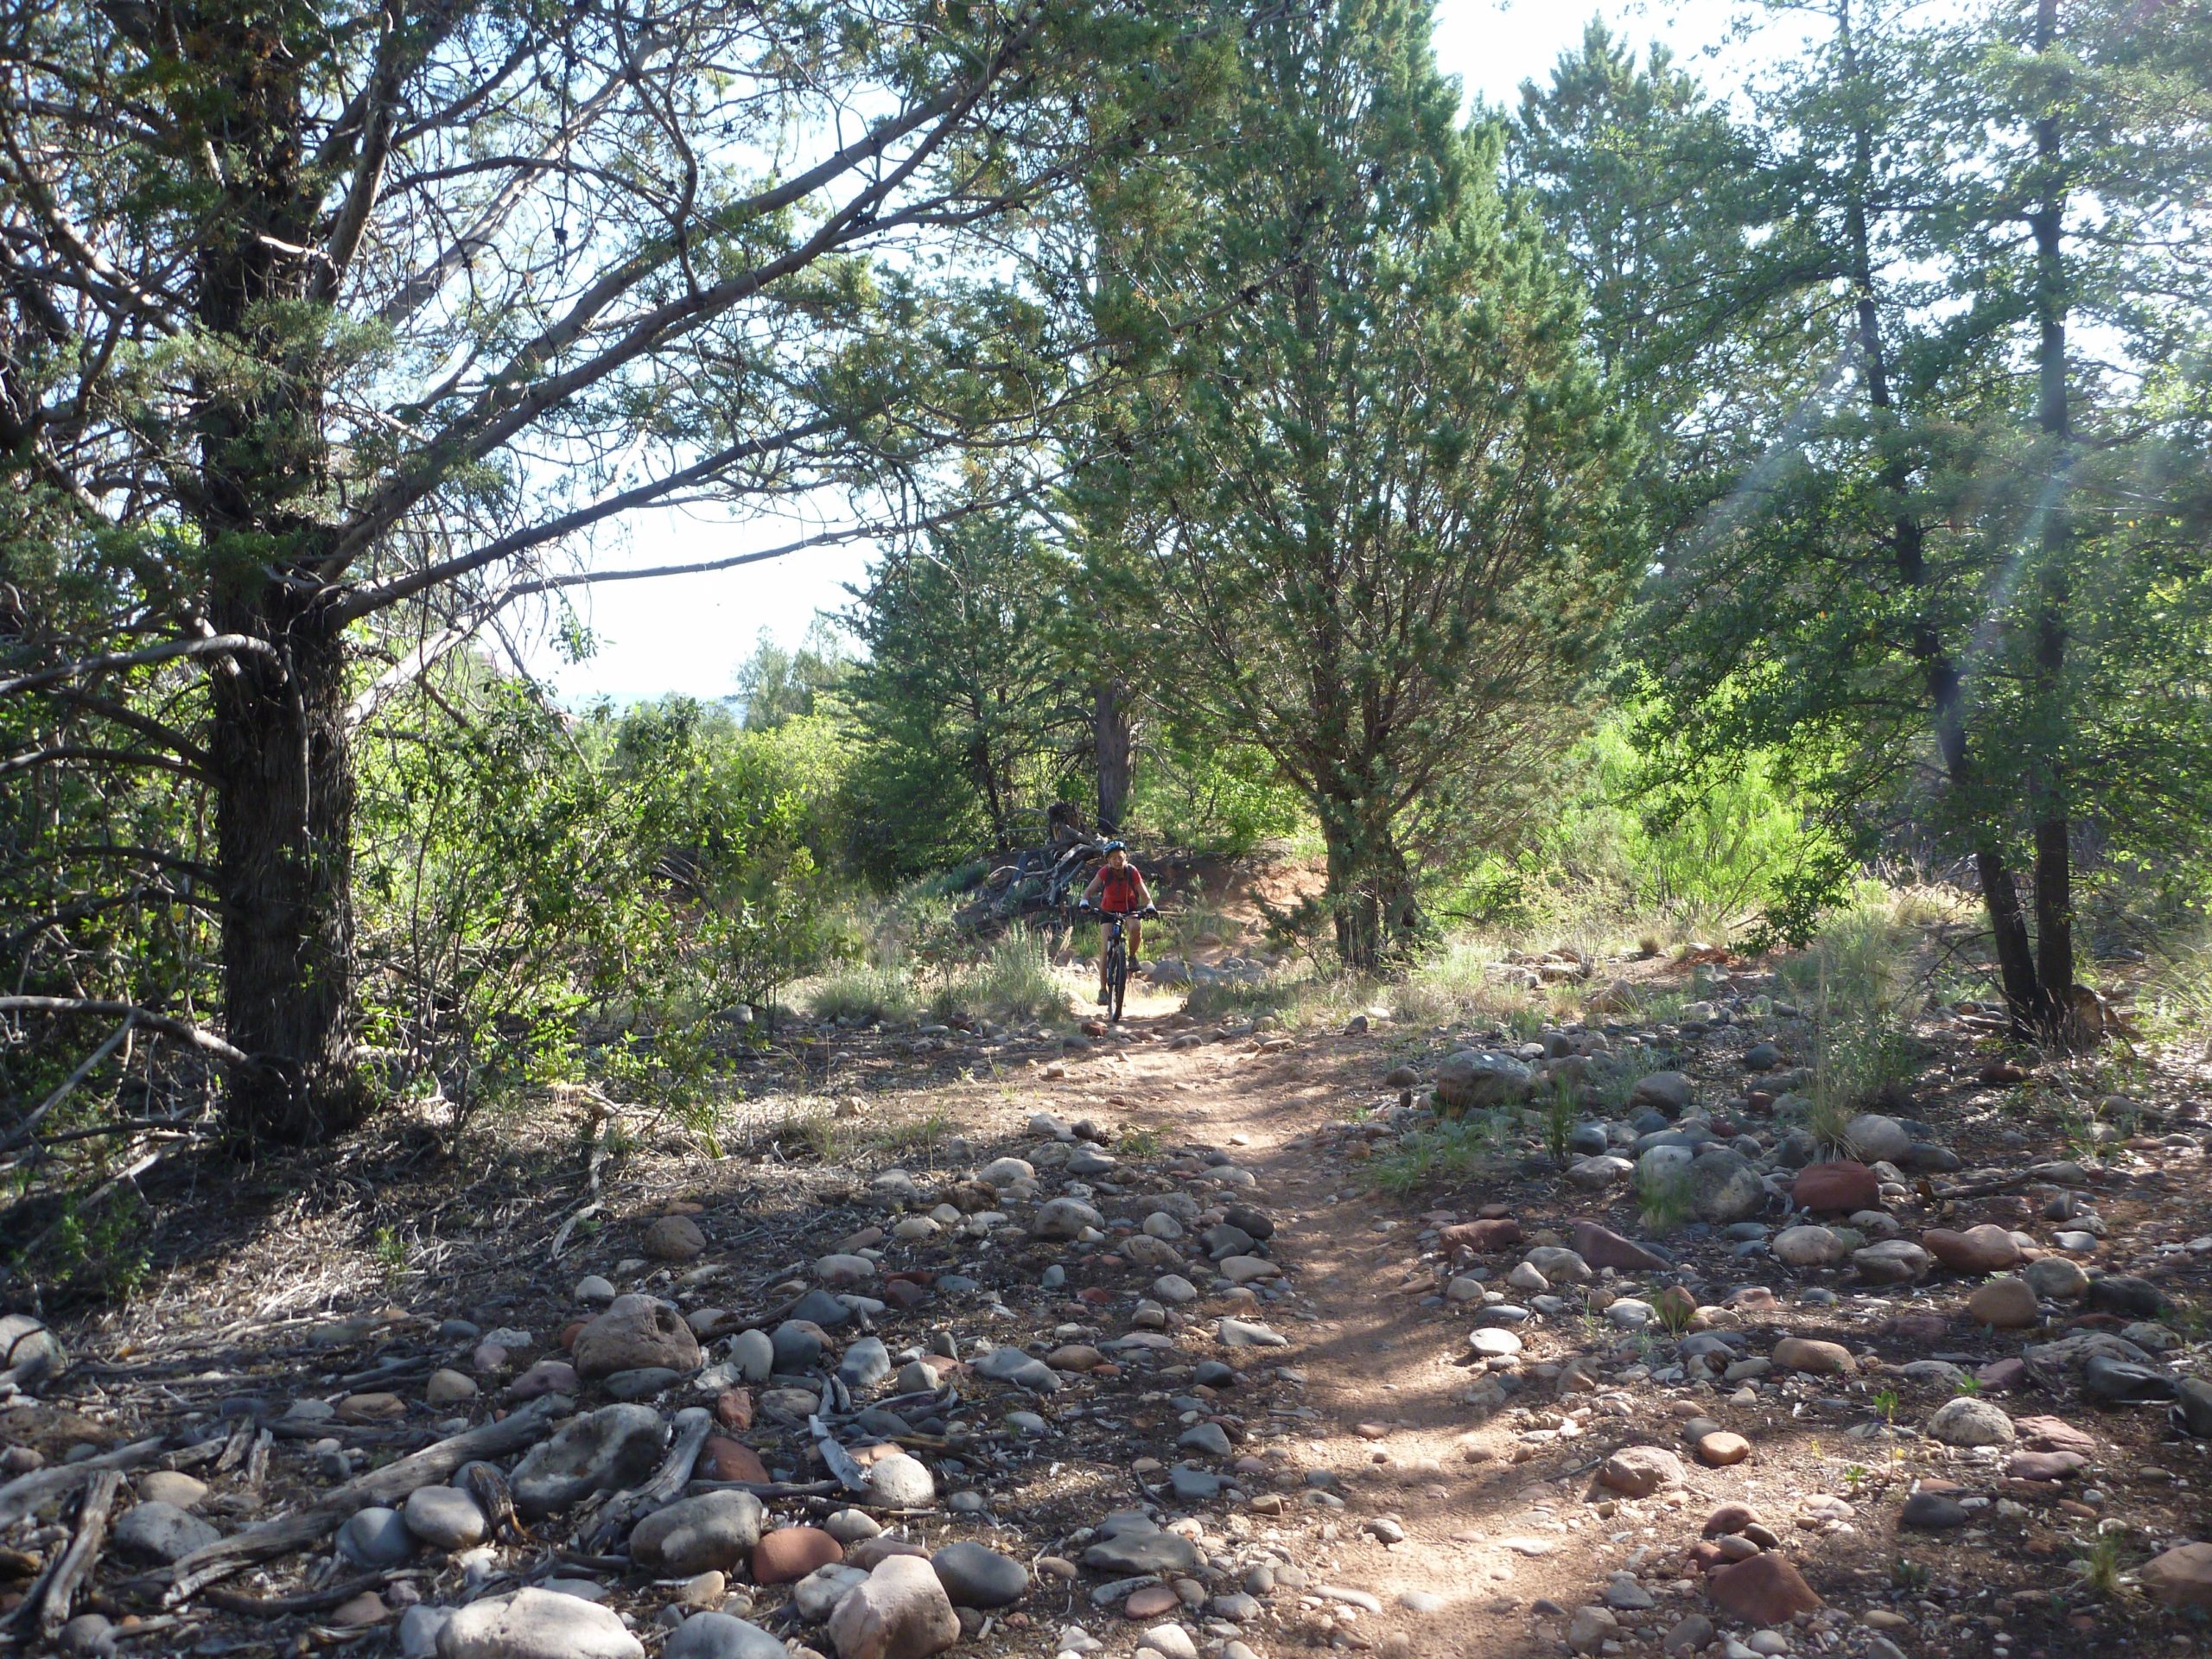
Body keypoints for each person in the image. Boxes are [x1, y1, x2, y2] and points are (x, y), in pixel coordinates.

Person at [1077, 840, 1155, 1004]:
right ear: (1108, 860)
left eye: (1120, 857)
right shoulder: (1105, 872)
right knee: (1106, 950)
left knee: (1135, 927)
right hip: (1108, 911)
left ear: (1125, 857)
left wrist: (1149, 904)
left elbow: (1143, 891)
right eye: (1113, 858)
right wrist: (1085, 901)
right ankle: (1103, 990)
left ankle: (1132, 957)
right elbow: (1090, 890)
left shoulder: (1131, 871)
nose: (1117, 861)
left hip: (1128, 909)